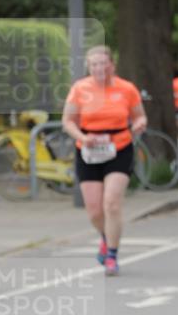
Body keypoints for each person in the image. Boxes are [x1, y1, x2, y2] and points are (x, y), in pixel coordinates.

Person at [62, 45, 147, 276]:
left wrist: (139, 124)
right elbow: (68, 121)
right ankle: (105, 236)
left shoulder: (126, 89)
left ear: (112, 65)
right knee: (94, 211)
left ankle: (112, 254)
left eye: (103, 63)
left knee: (111, 203)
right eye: (94, 64)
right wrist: (82, 137)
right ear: (89, 67)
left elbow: (139, 116)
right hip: (88, 149)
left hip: (119, 147)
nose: (100, 68)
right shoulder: (80, 89)